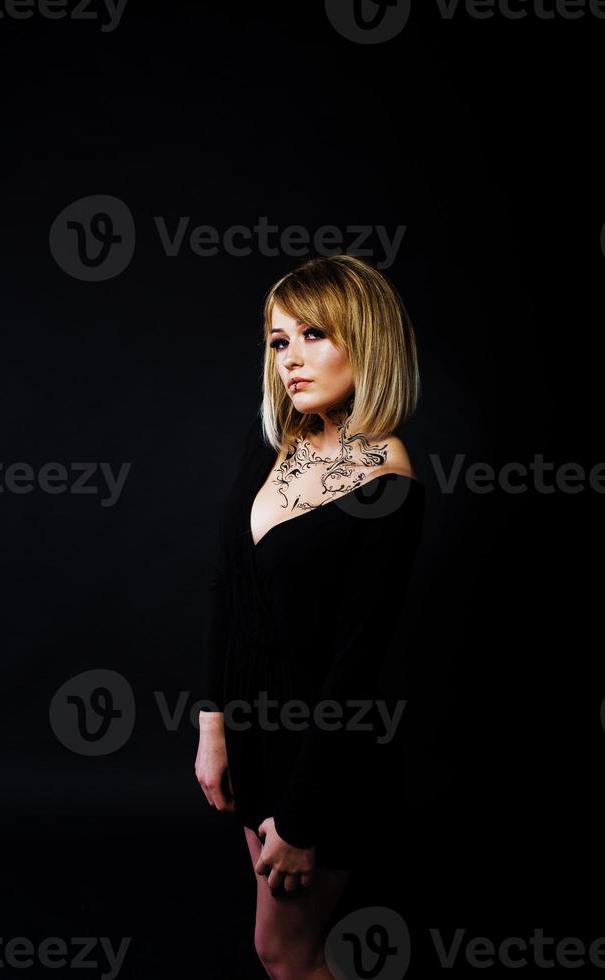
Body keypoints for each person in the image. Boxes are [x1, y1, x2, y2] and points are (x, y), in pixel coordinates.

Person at [195, 253, 425, 979]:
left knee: (283, 953)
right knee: (293, 949)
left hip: (324, 758)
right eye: (278, 340)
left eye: (313, 335)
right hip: (252, 738)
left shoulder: (387, 481)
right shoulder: (274, 440)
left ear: (367, 339)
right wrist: (213, 728)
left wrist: (299, 817)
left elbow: (356, 666)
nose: (291, 359)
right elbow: (227, 589)